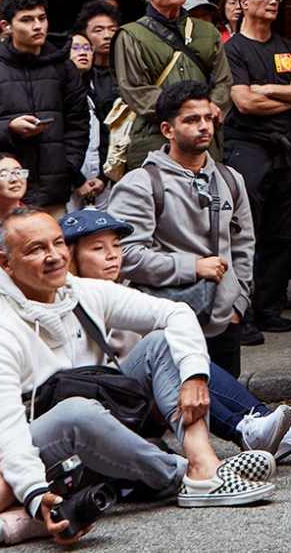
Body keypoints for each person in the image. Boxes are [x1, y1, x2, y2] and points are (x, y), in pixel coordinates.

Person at [0, 206, 278, 539]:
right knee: (75, 412)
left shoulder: (77, 291)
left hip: (101, 414)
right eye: (36, 249)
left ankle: (205, 466)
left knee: (160, 343)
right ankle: (179, 474)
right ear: (6, 262)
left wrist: (195, 376)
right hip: (36, 437)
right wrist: (32, 492)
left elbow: (176, 314)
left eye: (58, 243)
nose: (54, 256)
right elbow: (6, 426)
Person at [60, 207, 291, 462]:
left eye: (116, 246)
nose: (112, 255)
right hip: (99, 414)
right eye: (98, 248)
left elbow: (178, 316)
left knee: (181, 353)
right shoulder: (62, 303)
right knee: (160, 345)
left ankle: (263, 421)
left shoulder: (126, 294)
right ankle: (244, 430)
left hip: (138, 402)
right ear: (70, 257)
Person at [108, 81, 254, 377]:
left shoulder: (231, 179)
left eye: (208, 118)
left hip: (223, 321)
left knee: (225, 414)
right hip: (166, 322)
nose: (204, 127)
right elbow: (126, 255)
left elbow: (243, 245)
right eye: (191, 120)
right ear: (167, 130)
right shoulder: (141, 183)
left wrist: (239, 302)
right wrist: (193, 267)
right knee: (178, 412)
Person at [223, 0, 291, 343]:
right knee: (248, 232)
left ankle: (268, 308)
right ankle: (241, 314)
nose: (274, 0)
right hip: (248, 147)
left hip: (286, 149)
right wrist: (288, 94)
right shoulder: (234, 50)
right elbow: (244, 102)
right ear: (243, 2)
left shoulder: (289, 46)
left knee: (283, 231)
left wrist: (269, 88)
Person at [112, 0, 232, 172]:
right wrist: (185, 114)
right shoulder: (130, 35)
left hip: (205, 146)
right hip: (155, 143)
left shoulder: (208, 31)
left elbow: (224, 82)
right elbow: (136, 90)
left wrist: (213, 106)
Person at [0, 0, 89, 216]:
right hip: (4, 193)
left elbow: (79, 121)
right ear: (7, 26)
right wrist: (9, 128)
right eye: (27, 20)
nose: (38, 26)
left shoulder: (63, 66)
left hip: (54, 190)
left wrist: (68, 166)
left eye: (41, 18)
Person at [71, 0, 122, 207]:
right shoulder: (78, 80)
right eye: (98, 30)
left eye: (112, 29)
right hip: (81, 170)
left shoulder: (126, 72)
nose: (107, 35)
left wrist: (105, 175)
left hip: (115, 166)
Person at [67, 31, 108, 209]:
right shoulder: (56, 93)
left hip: (99, 178)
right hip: (69, 181)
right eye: (75, 48)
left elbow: (107, 136)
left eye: (87, 48)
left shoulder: (96, 92)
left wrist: (104, 177)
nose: (82, 53)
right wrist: (77, 180)